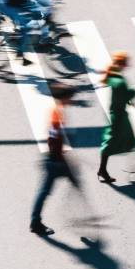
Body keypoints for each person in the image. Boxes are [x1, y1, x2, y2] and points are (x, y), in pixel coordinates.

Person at [30, 82, 80, 236]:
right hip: (55, 160)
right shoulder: (57, 114)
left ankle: (80, 216)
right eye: (70, 97)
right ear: (64, 98)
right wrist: (58, 156)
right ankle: (35, 222)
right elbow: (53, 138)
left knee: (72, 183)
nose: (71, 100)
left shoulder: (59, 111)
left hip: (57, 158)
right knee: (45, 191)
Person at [98, 51, 135, 183]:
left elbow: (122, 96)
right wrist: (134, 91)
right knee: (110, 143)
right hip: (118, 116)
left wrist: (128, 97)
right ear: (123, 64)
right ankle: (102, 170)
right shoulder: (119, 81)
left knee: (130, 138)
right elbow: (125, 95)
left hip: (119, 114)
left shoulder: (115, 76)